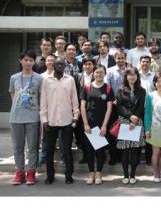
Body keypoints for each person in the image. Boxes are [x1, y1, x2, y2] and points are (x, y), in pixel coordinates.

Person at [40, 57, 79, 185]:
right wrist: (44, 119)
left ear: (65, 66)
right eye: (58, 64)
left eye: (63, 64)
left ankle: (69, 175)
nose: (60, 66)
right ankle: (50, 176)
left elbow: (74, 100)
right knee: (49, 150)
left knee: (66, 150)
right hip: (50, 121)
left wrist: (76, 116)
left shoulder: (70, 80)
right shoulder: (46, 80)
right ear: (53, 65)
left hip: (67, 120)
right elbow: (43, 102)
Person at [9, 50, 43, 185]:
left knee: (33, 147)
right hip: (16, 117)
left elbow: (41, 97)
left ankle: (31, 172)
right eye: (26, 60)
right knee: (18, 147)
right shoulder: (14, 78)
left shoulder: (39, 78)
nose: (28, 62)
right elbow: (12, 94)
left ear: (34, 62)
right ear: (20, 61)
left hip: (33, 117)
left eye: (31, 60)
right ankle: (19, 172)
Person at [80, 65, 114, 185]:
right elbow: (82, 106)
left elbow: (109, 108)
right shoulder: (87, 87)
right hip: (89, 123)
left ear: (104, 74)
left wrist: (104, 125)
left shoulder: (108, 88)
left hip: (102, 123)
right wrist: (85, 123)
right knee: (89, 150)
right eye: (96, 72)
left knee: (100, 150)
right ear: (93, 73)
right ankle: (91, 173)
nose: (98, 74)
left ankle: (99, 172)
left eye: (101, 72)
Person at [116, 67, 146, 184]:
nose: (132, 77)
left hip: (137, 122)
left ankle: (132, 175)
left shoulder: (142, 90)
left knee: (135, 150)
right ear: (126, 77)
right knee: (125, 150)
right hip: (124, 122)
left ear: (137, 76)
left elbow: (141, 106)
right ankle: (125, 175)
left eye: (134, 75)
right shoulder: (120, 90)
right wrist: (130, 116)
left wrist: (135, 118)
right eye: (129, 75)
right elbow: (119, 106)